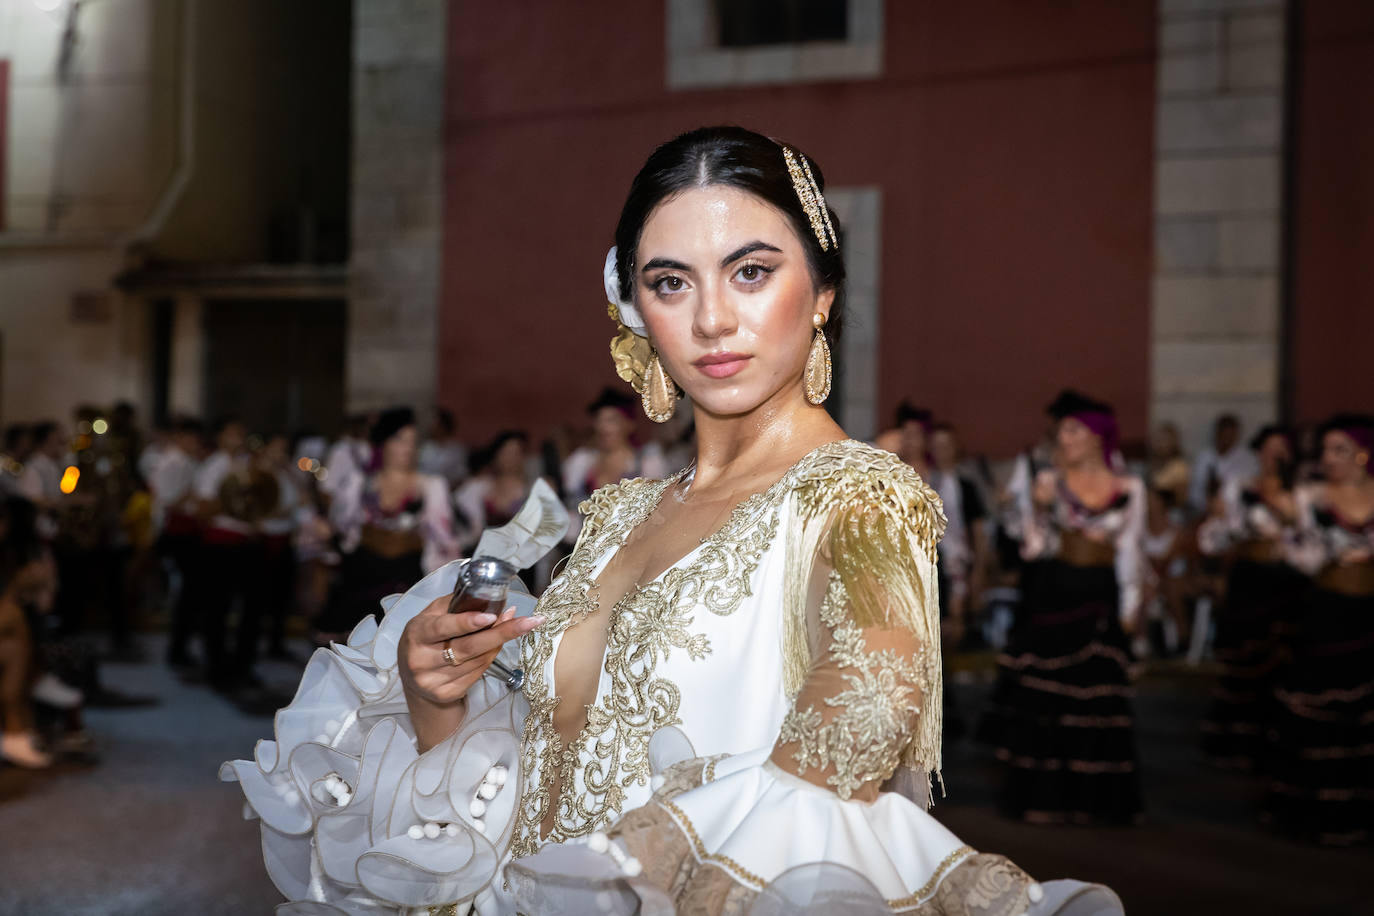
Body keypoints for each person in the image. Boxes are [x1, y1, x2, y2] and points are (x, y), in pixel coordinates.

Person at [225, 126, 1119, 914]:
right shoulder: (617, 516)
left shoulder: (858, 498)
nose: (713, 319)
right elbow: (536, 776)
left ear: (822, 295)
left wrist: (646, 878)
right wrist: (438, 699)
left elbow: (867, 716)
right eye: (670, 282)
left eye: (752, 272)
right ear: (638, 315)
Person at [981, 391, 1145, 825]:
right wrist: (1034, 508)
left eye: (1074, 430)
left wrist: (1131, 610)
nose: (1064, 437)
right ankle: (1047, 798)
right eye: (1064, 430)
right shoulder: (1050, 481)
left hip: (1101, 595)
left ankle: (1095, 800)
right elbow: (1034, 549)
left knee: (1099, 699)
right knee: (1049, 697)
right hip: (1058, 591)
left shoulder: (1129, 488)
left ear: (1096, 438)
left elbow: (1130, 552)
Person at [1269, 414, 1374, 845]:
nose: (1329, 458)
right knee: (1323, 710)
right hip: (1328, 612)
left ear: (1363, 456)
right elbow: (1308, 558)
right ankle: (1314, 813)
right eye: (1326, 450)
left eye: (1339, 450)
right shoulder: (1311, 497)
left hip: (1368, 615)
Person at [1196, 425, 1304, 770]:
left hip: (1288, 579)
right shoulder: (1241, 489)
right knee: (1247, 657)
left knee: (1284, 656)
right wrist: (1222, 520)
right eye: (1268, 450)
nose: (1275, 458)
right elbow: (1214, 539)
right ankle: (1243, 741)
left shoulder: (1304, 493)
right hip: (1252, 578)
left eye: (1281, 451)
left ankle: (1281, 736)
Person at [314, 407, 460, 643]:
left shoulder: (431, 486)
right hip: (362, 577)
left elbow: (443, 538)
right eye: (400, 440)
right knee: (356, 651)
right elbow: (341, 525)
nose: (408, 447)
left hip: (408, 580)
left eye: (413, 441)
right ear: (384, 443)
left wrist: (449, 583)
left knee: (397, 651)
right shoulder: (359, 483)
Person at [454, 430, 535, 554]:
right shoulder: (483, 487)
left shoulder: (532, 490)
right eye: (506, 453)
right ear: (497, 455)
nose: (511, 458)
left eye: (516, 453)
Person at [1189, 413, 1259, 516]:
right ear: (1217, 433)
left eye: (1231, 435)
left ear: (1236, 434)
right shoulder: (1204, 457)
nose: (1227, 439)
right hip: (1202, 512)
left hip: (1237, 515)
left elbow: (1252, 488)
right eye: (1224, 434)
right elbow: (1195, 489)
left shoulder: (1247, 458)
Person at [418, 407, 470, 489]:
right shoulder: (425, 448)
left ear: (445, 427)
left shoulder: (457, 449)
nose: (433, 428)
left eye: (437, 425)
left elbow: (461, 474)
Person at [1147, 422, 1190, 512]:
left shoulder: (1179, 466)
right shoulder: (1152, 464)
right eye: (1158, 440)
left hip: (1172, 513)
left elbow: (1181, 499)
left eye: (1165, 440)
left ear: (1174, 443)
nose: (1160, 445)